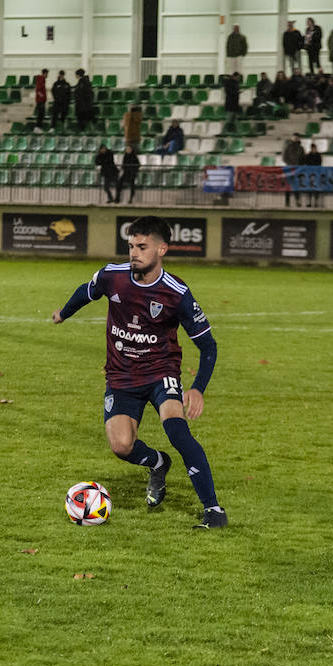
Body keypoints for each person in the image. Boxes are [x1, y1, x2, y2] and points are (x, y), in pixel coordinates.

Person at [50, 216, 227, 529]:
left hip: (161, 371)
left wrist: (197, 388)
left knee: (177, 430)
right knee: (121, 445)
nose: (134, 252)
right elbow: (86, 291)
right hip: (121, 375)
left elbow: (208, 346)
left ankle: (213, 510)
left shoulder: (177, 292)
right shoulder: (112, 276)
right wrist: (63, 313)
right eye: (131, 245)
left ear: (161, 249)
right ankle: (158, 463)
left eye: (142, 247)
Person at [282, 132, 304, 207]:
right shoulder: (288, 147)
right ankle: (287, 202)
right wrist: (290, 164)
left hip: (297, 169)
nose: (295, 138)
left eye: (297, 137)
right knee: (288, 186)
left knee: (297, 186)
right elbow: (284, 158)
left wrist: (299, 166)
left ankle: (297, 200)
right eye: (294, 137)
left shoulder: (301, 148)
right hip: (289, 168)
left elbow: (303, 159)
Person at [303, 140, 323, 207]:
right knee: (309, 189)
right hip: (309, 174)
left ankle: (316, 202)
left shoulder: (318, 156)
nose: (314, 149)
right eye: (313, 148)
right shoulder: (308, 156)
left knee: (316, 189)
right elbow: (306, 164)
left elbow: (320, 164)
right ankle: (309, 202)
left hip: (316, 174)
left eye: (315, 148)